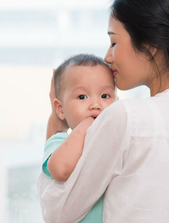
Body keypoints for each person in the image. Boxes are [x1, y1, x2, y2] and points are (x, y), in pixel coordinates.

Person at [37, 0, 169, 223]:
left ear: (151, 44)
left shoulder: (125, 117)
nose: (107, 57)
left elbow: (58, 212)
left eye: (114, 42)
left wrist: (56, 127)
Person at [42, 54, 117, 223]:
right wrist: (85, 126)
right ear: (60, 109)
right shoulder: (59, 141)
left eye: (105, 96)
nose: (96, 105)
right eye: (82, 97)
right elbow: (60, 169)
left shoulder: (116, 138)